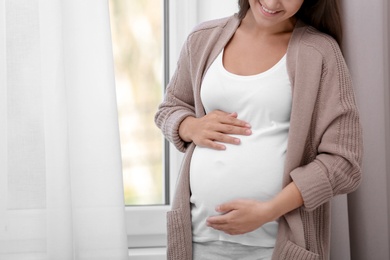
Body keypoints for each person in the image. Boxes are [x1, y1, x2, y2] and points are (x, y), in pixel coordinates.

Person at [155, 0, 363, 259]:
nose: (273, 2)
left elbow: (344, 161)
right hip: (197, 243)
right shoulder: (202, 40)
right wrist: (190, 126)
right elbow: (169, 109)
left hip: (275, 247)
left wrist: (270, 210)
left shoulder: (319, 52)